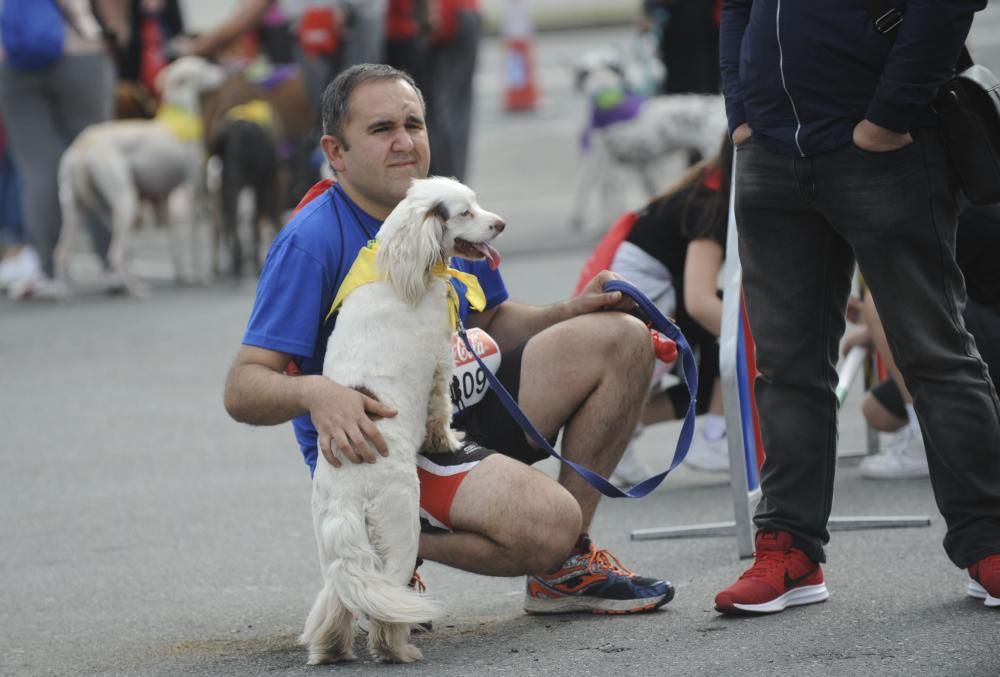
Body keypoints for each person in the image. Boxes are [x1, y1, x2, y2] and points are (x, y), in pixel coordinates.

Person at [223, 63, 675, 615]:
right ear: (335, 152)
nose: (404, 142)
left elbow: (492, 323)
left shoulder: (441, 206)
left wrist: (574, 310)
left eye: (414, 124)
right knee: (551, 522)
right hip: (383, 447)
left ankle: (566, 569)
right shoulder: (311, 239)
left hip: (454, 405)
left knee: (622, 338)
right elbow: (243, 387)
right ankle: (376, 545)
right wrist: (318, 394)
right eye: (381, 128)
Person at [716, 0, 1000, 615]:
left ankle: (990, 543)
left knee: (935, 352)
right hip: (770, 148)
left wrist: (888, 115)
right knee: (786, 368)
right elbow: (736, 8)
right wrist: (742, 113)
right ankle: (788, 548)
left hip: (885, 144)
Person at [591, 133, 734, 485]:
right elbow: (699, 303)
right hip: (641, 296)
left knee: (718, 353)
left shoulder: (710, 181)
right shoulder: (710, 204)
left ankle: (620, 433)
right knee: (730, 342)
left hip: (643, 290)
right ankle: (714, 437)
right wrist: (756, 344)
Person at [843, 203, 1000, 480]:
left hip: (985, 338)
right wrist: (874, 332)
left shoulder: (970, 210)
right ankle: (942, 439)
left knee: (883, 298)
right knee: (876, 411)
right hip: (982, 331)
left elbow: (919, 296)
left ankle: (926, 441)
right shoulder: (966, 198)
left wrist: (877, 321)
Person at [0, 0, 125, 300]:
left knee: (36, 168)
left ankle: (48, 270)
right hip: (79, 49)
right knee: (95, 158)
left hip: (13, 58)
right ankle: (112, 264)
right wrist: (113, 29)